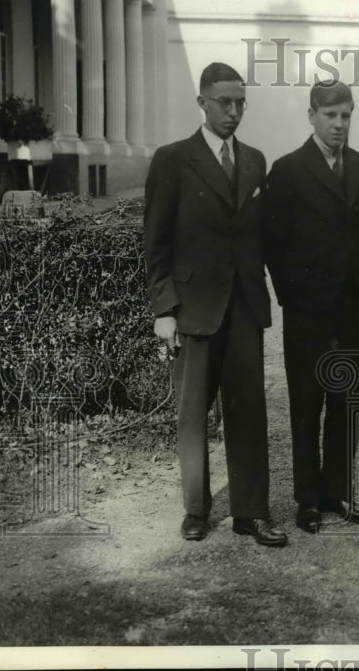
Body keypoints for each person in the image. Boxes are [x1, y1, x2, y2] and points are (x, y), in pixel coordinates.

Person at [143, 62, 287, 546]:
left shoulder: (255, 161)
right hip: (194, 308)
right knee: (193, 415)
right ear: (202, 102)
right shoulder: (172, 160)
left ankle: (251, 511)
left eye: (240, 102)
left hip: (244, 305)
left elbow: (263, 237)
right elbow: (156, 241)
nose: (233, 111)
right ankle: (196, 510)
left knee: (249, 411)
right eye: (224, 102)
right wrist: (164, 310)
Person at [263, 80, 359, 533]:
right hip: (307, 310)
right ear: (311, 116)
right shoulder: (287, 169)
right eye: (330, 115)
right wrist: (293, 298)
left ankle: (338, 492)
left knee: (346, 401)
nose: (339, 124)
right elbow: (272, 243)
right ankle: (307, 498)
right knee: (307, 403)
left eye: (346, 115)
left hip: (351, 307)